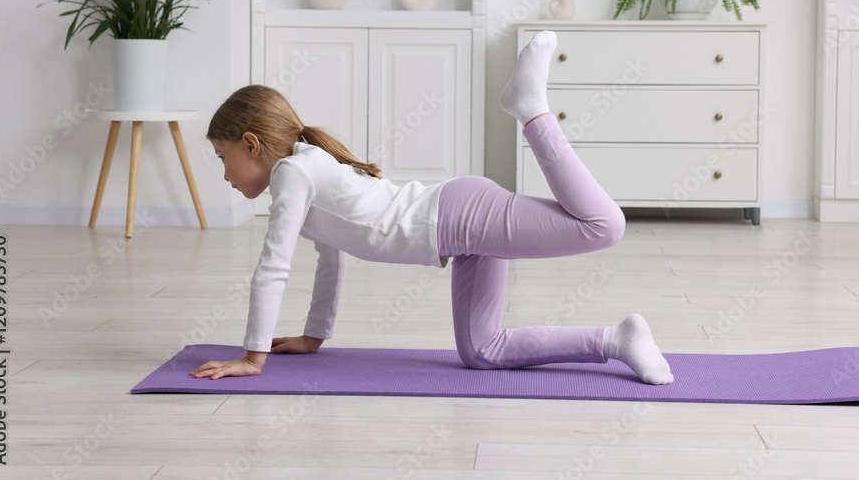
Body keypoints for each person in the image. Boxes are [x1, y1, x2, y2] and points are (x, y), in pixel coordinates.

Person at [190, 30, 673, 385]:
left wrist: (253, 357)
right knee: (481, 352)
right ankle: (616, 340)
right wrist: (314, 336)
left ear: (251, 144)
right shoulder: (302, 172)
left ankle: (531, 110)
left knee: (603, 225)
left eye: (222, 157)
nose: (225, 175)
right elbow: (328, 256)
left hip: (459, 214)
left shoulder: (292, 173)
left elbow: (272, 268)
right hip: (459, 233)